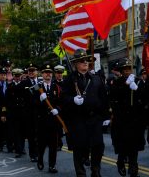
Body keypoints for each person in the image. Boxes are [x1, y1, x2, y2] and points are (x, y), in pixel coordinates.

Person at [62, 49, 109, 177]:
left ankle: (96, 170)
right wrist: (73, 99)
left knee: (98, 146)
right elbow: (63, 98)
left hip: (95, 118)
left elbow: (104, 98)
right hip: (78, 119)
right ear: (75, 64)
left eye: (87, 60)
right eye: (82, 61)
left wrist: (106, 117)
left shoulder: (96, 78)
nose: (85, 63)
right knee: (79, 147)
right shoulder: (69, 80)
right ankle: (81, 173)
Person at [110, 58, 145, 177]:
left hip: (135, 119)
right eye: (124, 69)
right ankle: (120, 162)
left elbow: (145, 97)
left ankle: (133, 170)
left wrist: (137, 89)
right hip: (122, 119)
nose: (127, 71)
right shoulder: (117, 82)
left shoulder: (138, 81)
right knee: (124, 146)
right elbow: (114, 96)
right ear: (120, 71)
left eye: (129, 69)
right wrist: (126, 85)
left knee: (134, 147)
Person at [36, 64, 61, 173]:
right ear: (42, 74)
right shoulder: (37, 87)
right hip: (41, 120)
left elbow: (62, 102)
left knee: (53, 145)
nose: (48, 74)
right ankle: (40, 158)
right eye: (46, 72)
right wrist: (39, 100)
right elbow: (31, 103)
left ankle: (52, 165)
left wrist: (58, 109)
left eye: (50, 72)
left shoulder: (56, 87)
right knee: (41, 143)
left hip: (53, 120)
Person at [19, 63, 40, 162]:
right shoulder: (23, 83)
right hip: (29, 113)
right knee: (31, 135)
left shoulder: (40, 82)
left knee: (39, 134)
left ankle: (39, 152)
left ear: (37, 72)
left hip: (40, 112)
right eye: (29, 71)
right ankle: (33, 154)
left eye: (33, 71)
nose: (31, 72)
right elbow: (16, 94)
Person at [5, 68, 26, 158]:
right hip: (14, 112)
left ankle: (22, 148)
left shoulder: (25, 85)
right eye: (15, 76)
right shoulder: (10, 86)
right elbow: (7, 100)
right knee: (16, 132)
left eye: (18, 76)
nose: (17, 78)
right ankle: (18, 150)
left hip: (23, 112)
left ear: (21, 76)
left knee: (23, 131)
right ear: (13, 76)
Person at [53, 65, 65, 151]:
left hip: (66, 108)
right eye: (58, 73)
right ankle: (58, 143)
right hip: (57, 108)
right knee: (57, 128)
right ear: (55, 74)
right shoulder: (53, 83)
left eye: (61, 73)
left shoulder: (67, 83)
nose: (59, 75)